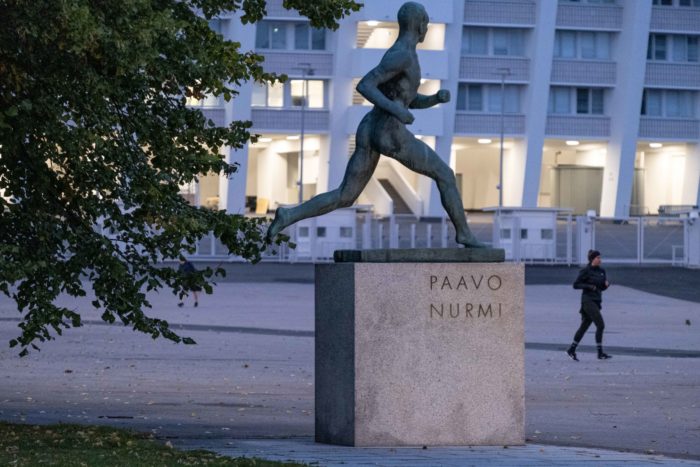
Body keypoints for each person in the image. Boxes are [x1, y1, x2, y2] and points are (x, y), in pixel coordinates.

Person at [266, 1, 484, 248]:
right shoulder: (402, 54)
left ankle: (289, 215)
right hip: (390, 131)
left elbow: (406, 100)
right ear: (420, 25)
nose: (427, 29)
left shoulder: (405, 53)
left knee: (345, 195)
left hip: (371, 127)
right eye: (426, 24)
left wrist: (433, 99)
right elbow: (366, 85)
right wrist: (397, 112)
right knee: (444, 174)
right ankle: (464, 234)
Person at [566, 250, 611, 361]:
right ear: (592, 259)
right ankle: (600, 353)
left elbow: (601, 288)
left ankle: (571, 349)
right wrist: (589, 286)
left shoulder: (602, 271)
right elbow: (575, 285)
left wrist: (606, 286)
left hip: (597, 301)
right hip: (587, 301)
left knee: (584, 326)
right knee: (600, 325)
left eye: (600, 257)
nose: (600, 260)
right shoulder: (585, 271)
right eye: (598, 258)